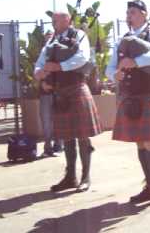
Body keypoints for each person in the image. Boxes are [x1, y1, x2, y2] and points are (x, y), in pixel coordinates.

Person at [106, 0, 150, 206]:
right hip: (130, 96)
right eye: (128, 13)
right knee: (139, 141)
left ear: (144, 15)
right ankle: (149, 187)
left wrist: (136, 62)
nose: (130, 16)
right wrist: (114, 75)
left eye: (134, 12)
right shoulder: (122, 40)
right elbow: (110, 67)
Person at [35, 11, 102, 193]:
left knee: (82, 136)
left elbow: (82, 58)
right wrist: (40, 74)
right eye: (52, 19)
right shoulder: (51, 41)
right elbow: (40, 62)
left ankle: (85, 177)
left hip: (76, 87)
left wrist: (59, 67)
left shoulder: (79, 35)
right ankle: (70, 177)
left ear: (67, 20)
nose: (53, 22)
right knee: (67, 136)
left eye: (56, 19)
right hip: (59, 92)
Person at [35, 30, 63, 158]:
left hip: (58, 92)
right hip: (45, 93)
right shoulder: (42, 54)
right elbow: (37, 71)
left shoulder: (61, 53)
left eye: (51, 37)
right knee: (46, 121)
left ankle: (59, 146)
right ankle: (47, 148)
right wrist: (42, 84)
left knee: (58, 120)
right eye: (47, 38)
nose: (49, 40)